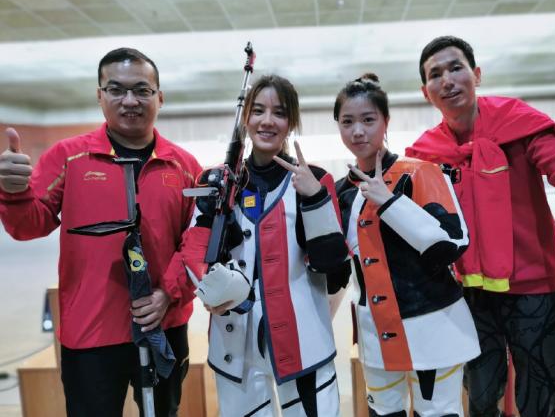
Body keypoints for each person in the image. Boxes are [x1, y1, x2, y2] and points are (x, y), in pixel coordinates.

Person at [406, 35, 555, 417]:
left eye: (455, 68)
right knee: (480, 398)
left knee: (540, 400)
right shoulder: (426, 152)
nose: (446, 80)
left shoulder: (518, 123)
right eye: (435, 74)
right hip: (470, 295)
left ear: (476, 74)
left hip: (536, 290)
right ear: (425, 91)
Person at [0, 48, 201, 417]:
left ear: (159, 97)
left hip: (162, 323)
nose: (130, 100)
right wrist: (14, 194)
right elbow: (29, 225)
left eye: (141, 90)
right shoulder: (68, 157)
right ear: (99, 95)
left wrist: (167, 294)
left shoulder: (185, 167)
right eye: (116, 90)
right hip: (90, 330)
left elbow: (197, 243)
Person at [174, 74, 349, 416]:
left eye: (279, 113)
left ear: (291, 122)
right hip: (233, 342)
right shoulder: (217, 181)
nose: (267, 121)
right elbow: (194, 251)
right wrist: (215, 289)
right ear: (246, 118)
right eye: (258, 111)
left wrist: (315, 199)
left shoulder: (314, 179)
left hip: (304, 344)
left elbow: (333, 267)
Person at [333, 73, 480, 417]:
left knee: (438, 412)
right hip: (375, 332)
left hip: (433, 326)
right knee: (384, 412)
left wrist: (390, 203)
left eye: (368, 120)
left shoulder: (421, 173)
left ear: (386, 121)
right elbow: (336, 267)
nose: (358, 131)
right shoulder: (341, 191)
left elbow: (453, 243)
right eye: (347, 122)